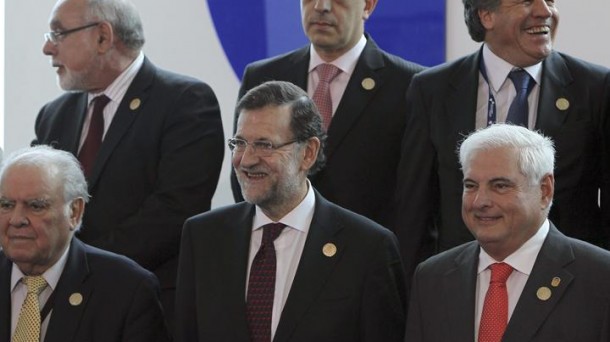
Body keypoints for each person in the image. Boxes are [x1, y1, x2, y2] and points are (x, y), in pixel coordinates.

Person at [34, 0, 225, 330]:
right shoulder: (54, 115)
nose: (47, 47)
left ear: (103, 37)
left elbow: (174, 211)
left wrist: (80, 267)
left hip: (147, 306)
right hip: (63, 307)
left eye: (58, 33)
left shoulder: (185, 102)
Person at [394, 0, 610, 285]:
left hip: (566, 286)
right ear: (486, 16)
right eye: (526, 1)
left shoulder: (594, 88)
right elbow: (415, 212)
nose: (545, 11)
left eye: (551, 1)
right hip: (463, 285)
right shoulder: (432, 89)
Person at [175, 81, 406, 342]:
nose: (246, 160)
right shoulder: (203, 237)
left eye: (265, 145)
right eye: (240, 143)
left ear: (308, 153)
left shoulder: (368, 248)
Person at [405, 124, 610, 341]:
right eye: (471, 185)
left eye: (500, 186)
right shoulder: (431, 278)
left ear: (544, 190)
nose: (480, 201)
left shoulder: (601, 279)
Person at [231, 0, 425, 228]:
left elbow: (415, 199)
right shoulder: (263, 75)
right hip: (279, 248)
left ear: (368, 5)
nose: (321, 6)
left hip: (367, 255)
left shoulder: (410, 85)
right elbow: (245, 171)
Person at [0, 145, 170, 342]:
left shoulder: (128, 290)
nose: (16, 219)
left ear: (74, 212)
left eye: (36, 206)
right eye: (6, 205)